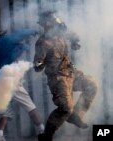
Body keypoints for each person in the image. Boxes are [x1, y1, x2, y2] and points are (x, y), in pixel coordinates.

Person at [34, 11, 98, 141]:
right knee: (65, 108)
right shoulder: (43, 43)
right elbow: (37, 64)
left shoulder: (60, 33)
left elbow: (72, 35)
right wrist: (39, 64)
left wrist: (75, 41)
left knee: (91, 85)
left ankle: (76, 115)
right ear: (46, 24)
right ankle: (47, 136)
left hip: (71, 73)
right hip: (58, 79)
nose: (56, 23)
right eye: (52, 21)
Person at [0, 27, 45, 141]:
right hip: (11, 80)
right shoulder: (6, 40)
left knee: (5, 113)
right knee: (30, 107)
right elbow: (22, 33)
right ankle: (42, 131)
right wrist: (34, 30)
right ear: (1, 35)